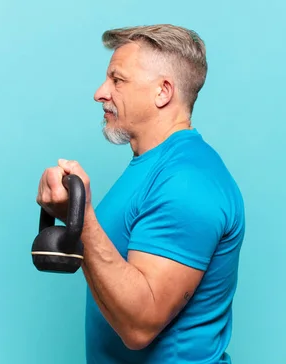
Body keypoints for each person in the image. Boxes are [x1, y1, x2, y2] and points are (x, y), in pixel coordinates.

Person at [36, 24, 246, 363]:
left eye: (117, 80)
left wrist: (83, 217)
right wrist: (72, 214)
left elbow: (140, 326)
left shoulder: (188, 182)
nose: (100, 92)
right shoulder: (151, 166)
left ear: (163, 92)